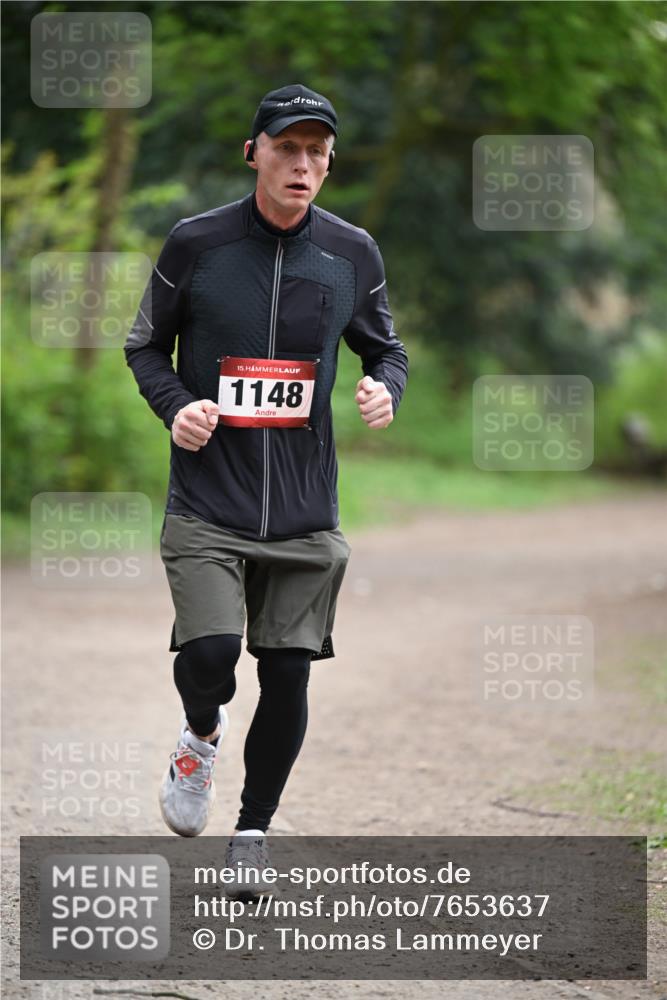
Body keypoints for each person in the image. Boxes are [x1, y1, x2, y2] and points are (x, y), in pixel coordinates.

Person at [124, 83, 408, 894]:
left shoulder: (352, 253)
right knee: (211, 654)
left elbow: (386, 351)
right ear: (254, 152)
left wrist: (385, 388)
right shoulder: (196, 244)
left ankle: (253, 828)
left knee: (287, 670)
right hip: (208, 499)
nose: (304, 164)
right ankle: (200, 733)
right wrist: (177, 409)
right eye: (288, 148)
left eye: (318, 152)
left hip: (304, 508)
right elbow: (145, 346)